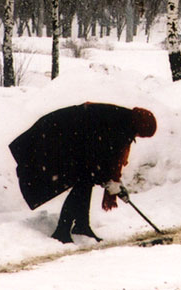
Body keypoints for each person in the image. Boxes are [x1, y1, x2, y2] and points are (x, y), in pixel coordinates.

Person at [9, 103, 157, 244]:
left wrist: (112, 182)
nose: (137, 136)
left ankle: (81, 225)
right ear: (138, 127)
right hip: (54, 137)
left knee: (86, 179)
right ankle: (62, 230)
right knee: (84, 179)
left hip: (69, 139)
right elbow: (98, 155)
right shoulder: (116, 125)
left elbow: (106, 158)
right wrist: (109, 182)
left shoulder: (122, 121)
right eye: (140, 134)